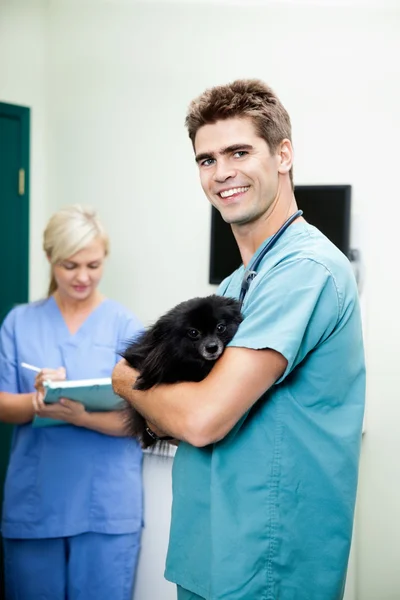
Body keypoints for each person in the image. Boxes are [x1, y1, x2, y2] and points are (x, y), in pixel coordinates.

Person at [112, 79, 366, 600]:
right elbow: (179, 411)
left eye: (239, 151)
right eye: (206, 159)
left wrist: (125, 379)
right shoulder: (235, 285)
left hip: (269, 559)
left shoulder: (306, 270)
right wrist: (169, 402)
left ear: (283, 155)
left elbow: (202, 419)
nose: (222, 172)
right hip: (213, 549)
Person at [0, 205, 143, 600]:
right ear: (49, 259)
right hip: (36, 503)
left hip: (106, 509)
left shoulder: (125, 326)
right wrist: (37, 401)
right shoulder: (19, 323)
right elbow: (2, 404)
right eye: (70, 265)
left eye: (94, 265)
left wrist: (81, 417)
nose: (83, 277)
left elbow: (142, 417)